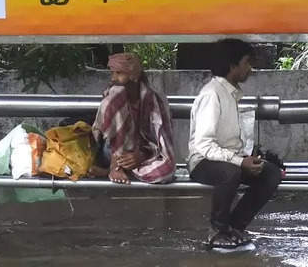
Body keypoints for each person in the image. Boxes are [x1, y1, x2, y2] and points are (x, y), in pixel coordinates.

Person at [188, 39, 282, 252]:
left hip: (228, 161)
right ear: (232, 65)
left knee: (271, 173)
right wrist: (240, 161)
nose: (250, 68)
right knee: (231, 172)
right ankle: (217, 231)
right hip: (203, 162)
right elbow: (203, 145)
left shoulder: (230, 93)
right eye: (247, 62)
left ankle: (234, 227)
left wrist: (248, 160)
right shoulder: (212, 95)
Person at [89, 52, 176, 184]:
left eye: (119, 73)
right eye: (112, 73)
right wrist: (117, 163)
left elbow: (160, 142)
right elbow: (104, 136)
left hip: (142, 156)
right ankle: (114, 168)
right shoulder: (114, 96)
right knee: (117, 96)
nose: (113, 78)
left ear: (133, 75)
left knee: (166, 171)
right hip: (109, 153)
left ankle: (123, 172)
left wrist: (141, 155)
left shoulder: (153, 100)